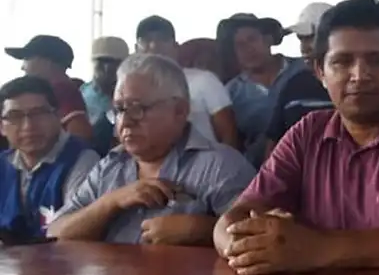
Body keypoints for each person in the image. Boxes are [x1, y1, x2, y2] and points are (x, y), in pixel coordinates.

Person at [214, 0, 379, 275]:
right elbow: (235, 218)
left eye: (377, 61)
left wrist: (317, 249)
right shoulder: (307, 133)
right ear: (320, 72)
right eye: (341, 62)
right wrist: (243, 245)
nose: (359, 75)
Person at [47, 54, 256, 245]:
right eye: (119, 110)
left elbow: (255, 237)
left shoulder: (220, 166)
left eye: (137, 108)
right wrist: (111, 202)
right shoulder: (108, 168)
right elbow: (56, 232)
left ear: (179, 111)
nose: (125, 122)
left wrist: (203, 230)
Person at [0, 76, 99, 243]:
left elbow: (77, 233)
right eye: (15, 116)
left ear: (59, 116)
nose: (28, 126)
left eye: (38, 114)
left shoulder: (82, 160)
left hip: (62, 265)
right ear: (2, 126)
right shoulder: (3, 164)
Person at [133, 16, 240, 150]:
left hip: (205, 165)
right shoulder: (131, 89)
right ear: (136, 49)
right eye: (147, 40)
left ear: (176, 47)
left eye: (163, 39)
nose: (154, 46)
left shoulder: (204, 80)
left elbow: (229, 135)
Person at [218, 13, 309, 166]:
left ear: (268, 40)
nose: (248, 49)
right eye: (239, 45)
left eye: (252, 40)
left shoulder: (304, 70)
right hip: (260, 174)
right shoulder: (230, 93)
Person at [265, 2, 334, 152]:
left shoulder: (356, 81)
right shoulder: (293, 85)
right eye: (301, 39)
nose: (304, 47)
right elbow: (274, 143)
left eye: (310, 38)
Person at [5, 35, 92, 142]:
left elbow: (80, 136)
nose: (22, 67)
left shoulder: (62, 92)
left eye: (27, 59)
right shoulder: (63, 91)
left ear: (47, 62)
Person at [80, 36, 130, 125]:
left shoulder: (133, 97)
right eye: (102, 61)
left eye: (114, 62)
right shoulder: (81, 95)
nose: (107, 67)